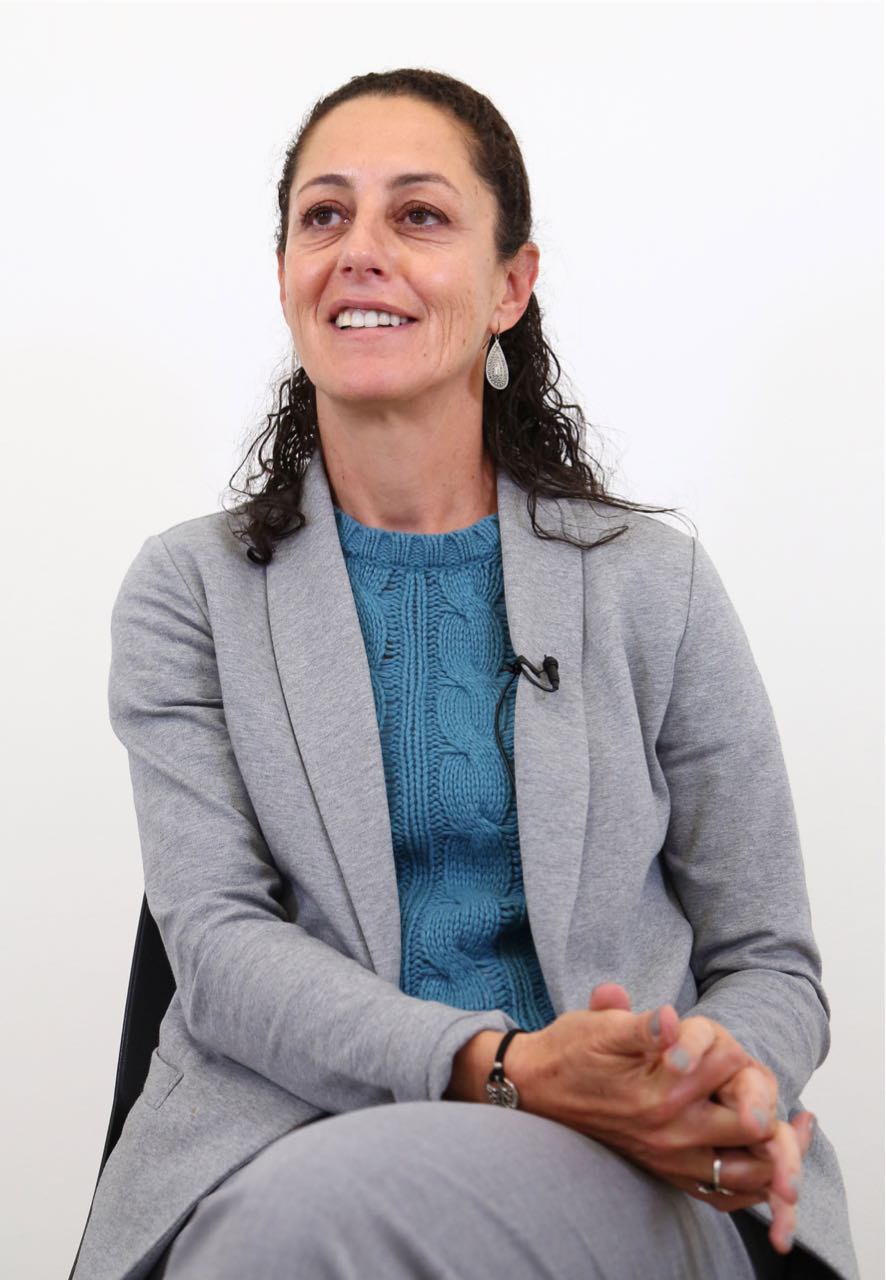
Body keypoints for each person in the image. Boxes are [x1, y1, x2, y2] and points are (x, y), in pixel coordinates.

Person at [71, 68, 858, 1280]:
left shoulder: (653, 584)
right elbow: (217, 950)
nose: (360, 250)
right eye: (324, 215)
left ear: (510, 285)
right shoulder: (191, 590)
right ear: (284, 274)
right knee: (290, 1223)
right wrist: (501, 1064)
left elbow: (769, 957)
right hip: (278, 1137)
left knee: (298, 1235)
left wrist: (713, 1079)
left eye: (419, 214)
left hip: (625, 1163)